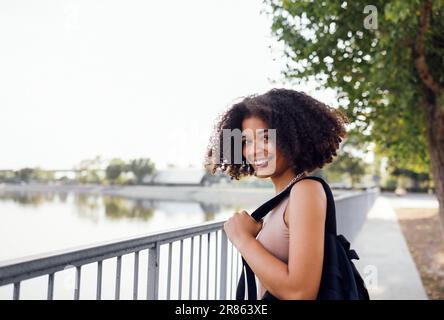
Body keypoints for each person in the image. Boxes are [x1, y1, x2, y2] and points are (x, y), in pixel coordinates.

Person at [205, 88, 348, 299]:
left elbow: (300, 292)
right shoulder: (284, 197)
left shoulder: (305, 191)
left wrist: (242, 238)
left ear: (293, 137)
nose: (254, 150)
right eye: (247, 142)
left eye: (265, 137)